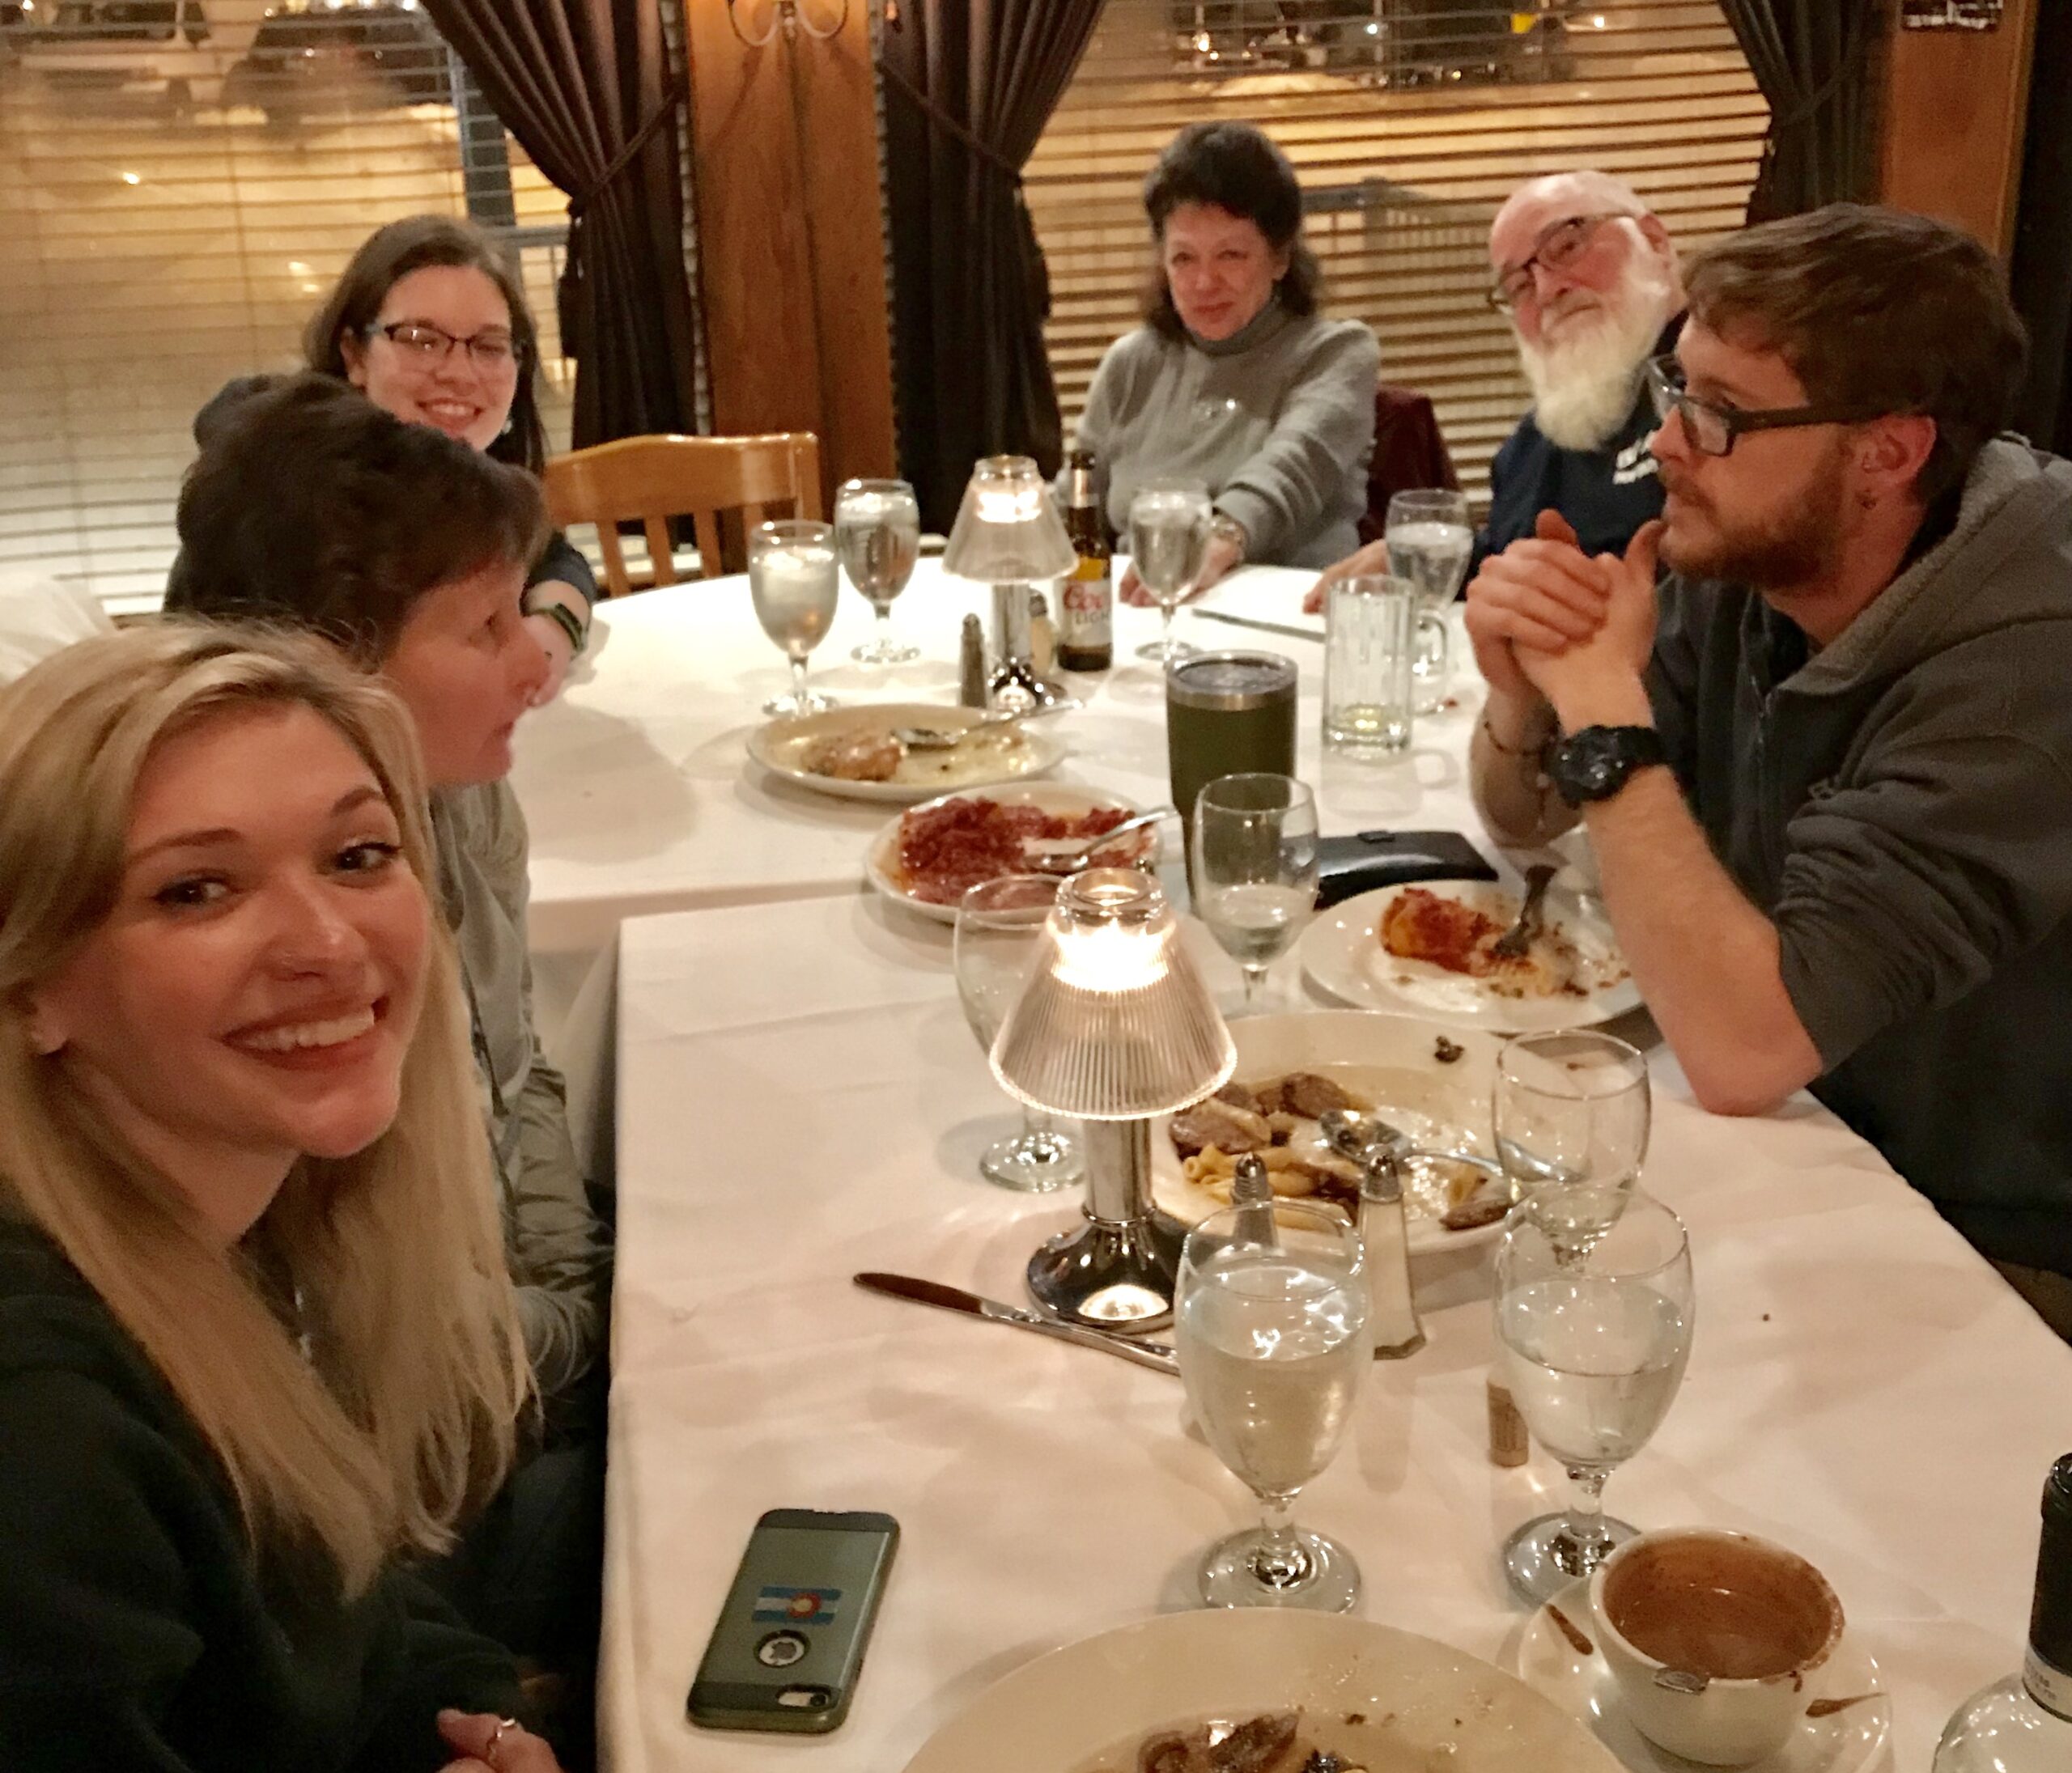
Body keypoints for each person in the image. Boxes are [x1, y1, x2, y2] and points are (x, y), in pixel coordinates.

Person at [1464, 204, 2072, 1334]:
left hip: (1995, 1251)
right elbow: (1527, 818)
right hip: (1805, 1129)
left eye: (1720, 414)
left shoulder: (2028, 666)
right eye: (1675, 389)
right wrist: (1520, 693)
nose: (1667, 444)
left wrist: (1599, 706)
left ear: (1888, 453)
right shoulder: (1768, 551)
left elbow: (1744, 1047)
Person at [0, 621, 564, 1771]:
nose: (327, 944)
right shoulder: (42, 1431)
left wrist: (483, 1723)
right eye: (196, 889)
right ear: (31, 992)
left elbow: (342, 1603)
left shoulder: (225, 1215)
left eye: (357, 855)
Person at [165, 375, 613, 1699]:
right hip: (398, 1505)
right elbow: (368, 1344)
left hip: (510, 1363)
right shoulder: (257, 975)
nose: (536, 660)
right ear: (336, 666)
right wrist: (592, 1337)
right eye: (486, 626)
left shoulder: (462, 802)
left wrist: (584, 1290)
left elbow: (521, 1078)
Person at [184, 214, 597, 702]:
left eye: (489, 347)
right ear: (354, 355)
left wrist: (551, 630)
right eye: (421, 340)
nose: (460, 374)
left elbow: (555, 560)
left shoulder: (465, 489)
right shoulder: (281, 497)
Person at [1306, 170, 1684, 610]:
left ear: (1654, 240)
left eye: (1567, 247)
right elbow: (1507, 556)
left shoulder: (1715, 394)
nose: (1547, 290)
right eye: (1519, 286)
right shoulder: (1535, 441)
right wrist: (1423, 561)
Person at [1068, 121, 1380, 603]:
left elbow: (1291, 469)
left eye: (1231, 255)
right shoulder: (1131, 363)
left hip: (1288, 616)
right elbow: (1074, 502)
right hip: (1146, 615)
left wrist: (1217, 539)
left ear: (1280, 258)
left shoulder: (1336, 353)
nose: (1203, 283)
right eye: (1183, 259)